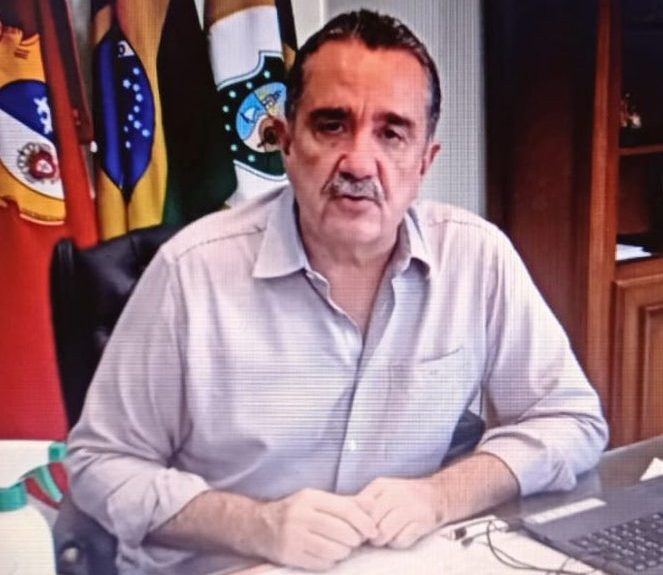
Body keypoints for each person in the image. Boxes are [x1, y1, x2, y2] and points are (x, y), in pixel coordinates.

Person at [66, 9, 609, 575]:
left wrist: (441, 496)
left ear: (425, 163)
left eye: (391, 133)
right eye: (331, 125)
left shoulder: (476, 259)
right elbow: (101, 463)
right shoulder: (191, 274)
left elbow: (572, 420)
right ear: (285, 142)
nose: (359, 163)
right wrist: (256, 525)